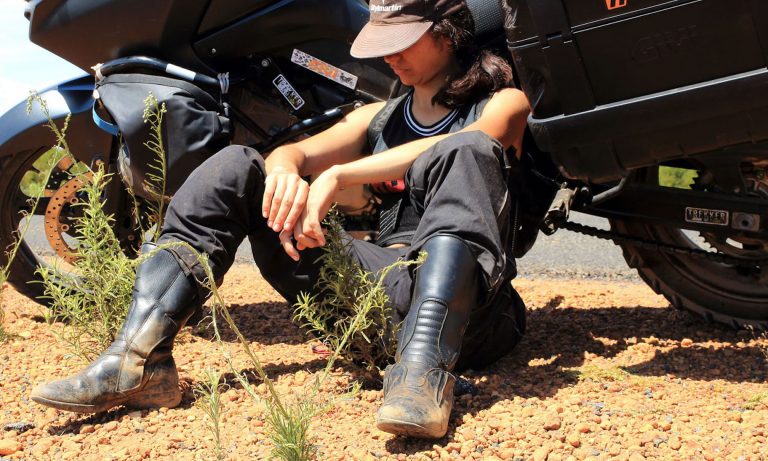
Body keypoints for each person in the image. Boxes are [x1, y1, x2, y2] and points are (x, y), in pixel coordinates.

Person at [31, 0, 531, 439]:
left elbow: (460, 143)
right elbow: (293, 152)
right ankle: (138, 360)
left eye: (403, 42)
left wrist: (338, 175)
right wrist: (285, 172)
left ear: (447, 35)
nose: (389, 57)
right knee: (237, 165)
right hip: (373, 297)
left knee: (467, 152)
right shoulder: (378, 116)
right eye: (384, 44)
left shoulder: (504, 103)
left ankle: (423, 376)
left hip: (474, 317)